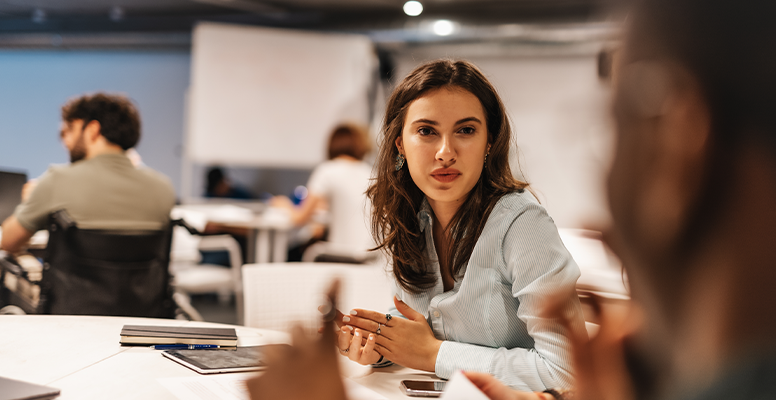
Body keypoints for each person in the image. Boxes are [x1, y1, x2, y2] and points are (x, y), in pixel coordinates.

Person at [331, 59, 585, 392]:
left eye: (465, 130)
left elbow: (568, 371)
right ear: (400, 144)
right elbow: (423, 325)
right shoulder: (410, 215)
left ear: (489, 142)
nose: (445, 152)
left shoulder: (522, 224)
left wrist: (435, 355)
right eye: (426, 131)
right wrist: (377, 346)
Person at [0, 93, 176, 253]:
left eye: (71, 130)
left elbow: (8, 242)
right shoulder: (163, 187)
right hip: (142, 289)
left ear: (92, 130)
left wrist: (31, 202)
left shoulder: (57, 180)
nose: (67, 141)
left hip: (70, 289)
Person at [272, 123, 374, 259]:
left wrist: (283, 204)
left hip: (341, 254)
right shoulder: (371, 172)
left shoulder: (327, 170)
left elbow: (299, 218)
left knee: (293, 253)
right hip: (372, 256)